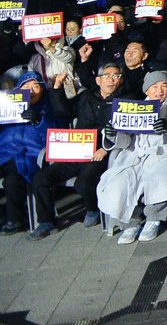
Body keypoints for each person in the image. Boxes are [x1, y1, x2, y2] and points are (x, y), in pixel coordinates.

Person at [27, 62, 123, 238]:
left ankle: (93, 209)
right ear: (98, 80)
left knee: (83, 182)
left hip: (100, 153)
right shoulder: (87, 96)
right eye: (107, 76)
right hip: (75, 150)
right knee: (41, 178)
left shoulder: (124, 100)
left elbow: (125, 131)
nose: (111, 79)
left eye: (116, 76)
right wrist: (57, 88)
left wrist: (105, 148)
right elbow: (64, 112)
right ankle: (46, 221)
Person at [96, 71, 167, 243]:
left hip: (164, 153)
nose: (159, 90)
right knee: (119, 182)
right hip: (136, 154)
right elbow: (125, 140)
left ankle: (153, 219)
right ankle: (130, 222)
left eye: (164, 86)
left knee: (157, 179)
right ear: (147, 90)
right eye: (154, 87)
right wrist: (113, 135)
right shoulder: (136, 107)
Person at [0, 72, 51, 234]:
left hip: (30, 155)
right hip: (5, 153)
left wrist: (38, 121)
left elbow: (56, 131)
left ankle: (14, 219)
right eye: (25, 87)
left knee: (12, 180)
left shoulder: (47, 107)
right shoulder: (7, 106)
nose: (30, 91)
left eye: (35, 86)